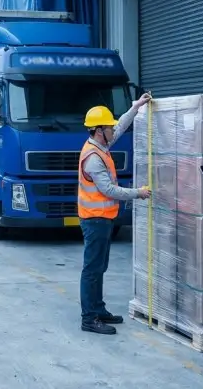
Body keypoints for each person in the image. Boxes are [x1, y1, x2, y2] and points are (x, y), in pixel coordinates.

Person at [78, 94, 153, 335]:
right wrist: (138, 193)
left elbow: (120, 127)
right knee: (92, 269)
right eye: (108, 127)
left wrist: (135, 107)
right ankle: (89, 318)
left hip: (103, 218)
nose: (113, 129)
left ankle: (98, 309)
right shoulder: (93, 158)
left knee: (99, 267)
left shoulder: (101, 145)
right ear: (99, 131)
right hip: (94, 219)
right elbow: (109, 190)